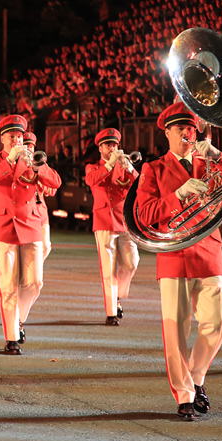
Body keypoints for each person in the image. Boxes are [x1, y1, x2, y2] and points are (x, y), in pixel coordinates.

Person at [135, 103, 222, 420]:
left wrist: (215, 154)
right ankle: (184, 395)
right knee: (175, 329)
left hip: (209, 251)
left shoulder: (209, 163)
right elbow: (144, 214)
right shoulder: (154, 169)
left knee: (218, 322)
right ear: (167, 132)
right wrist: (178, 195)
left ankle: (196, 376)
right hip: (174, 254)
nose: (188, 133)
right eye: (181, 128)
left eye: (192, 128)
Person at [0, 115, 61, 355]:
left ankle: (19, 319)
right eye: (11, 136)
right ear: (2, 138)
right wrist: (9, 162)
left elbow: (55, 182)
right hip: (3, 225)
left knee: (34, 282)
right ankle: (11, 337)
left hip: (31, 223)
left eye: (19, 136)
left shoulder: (31, 158)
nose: (16, 139)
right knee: (8, 284)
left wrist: (39, 167)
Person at [84, 128, 139, 326]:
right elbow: (91, 180)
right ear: (100, 148)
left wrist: (130, 167)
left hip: (124, 221)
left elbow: (141, 185)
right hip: (104, 220)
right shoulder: (93, 167)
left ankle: (117, 296)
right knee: (108, 269)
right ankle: (111, 312)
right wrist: (109, 164)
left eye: (115, 145)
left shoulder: (123, 166)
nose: (113, 148)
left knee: (132, 262)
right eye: (108, 145)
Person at [23, 132, 57, 260]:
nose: (29, 149)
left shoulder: (41, 164)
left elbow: (52, 190)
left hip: (41, 211)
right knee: (30, 247)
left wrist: (41, 175)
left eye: (31, 146)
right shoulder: (19, 165)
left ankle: (35, 269)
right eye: (26, 146)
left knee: (46, 246)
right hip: (27, 211)